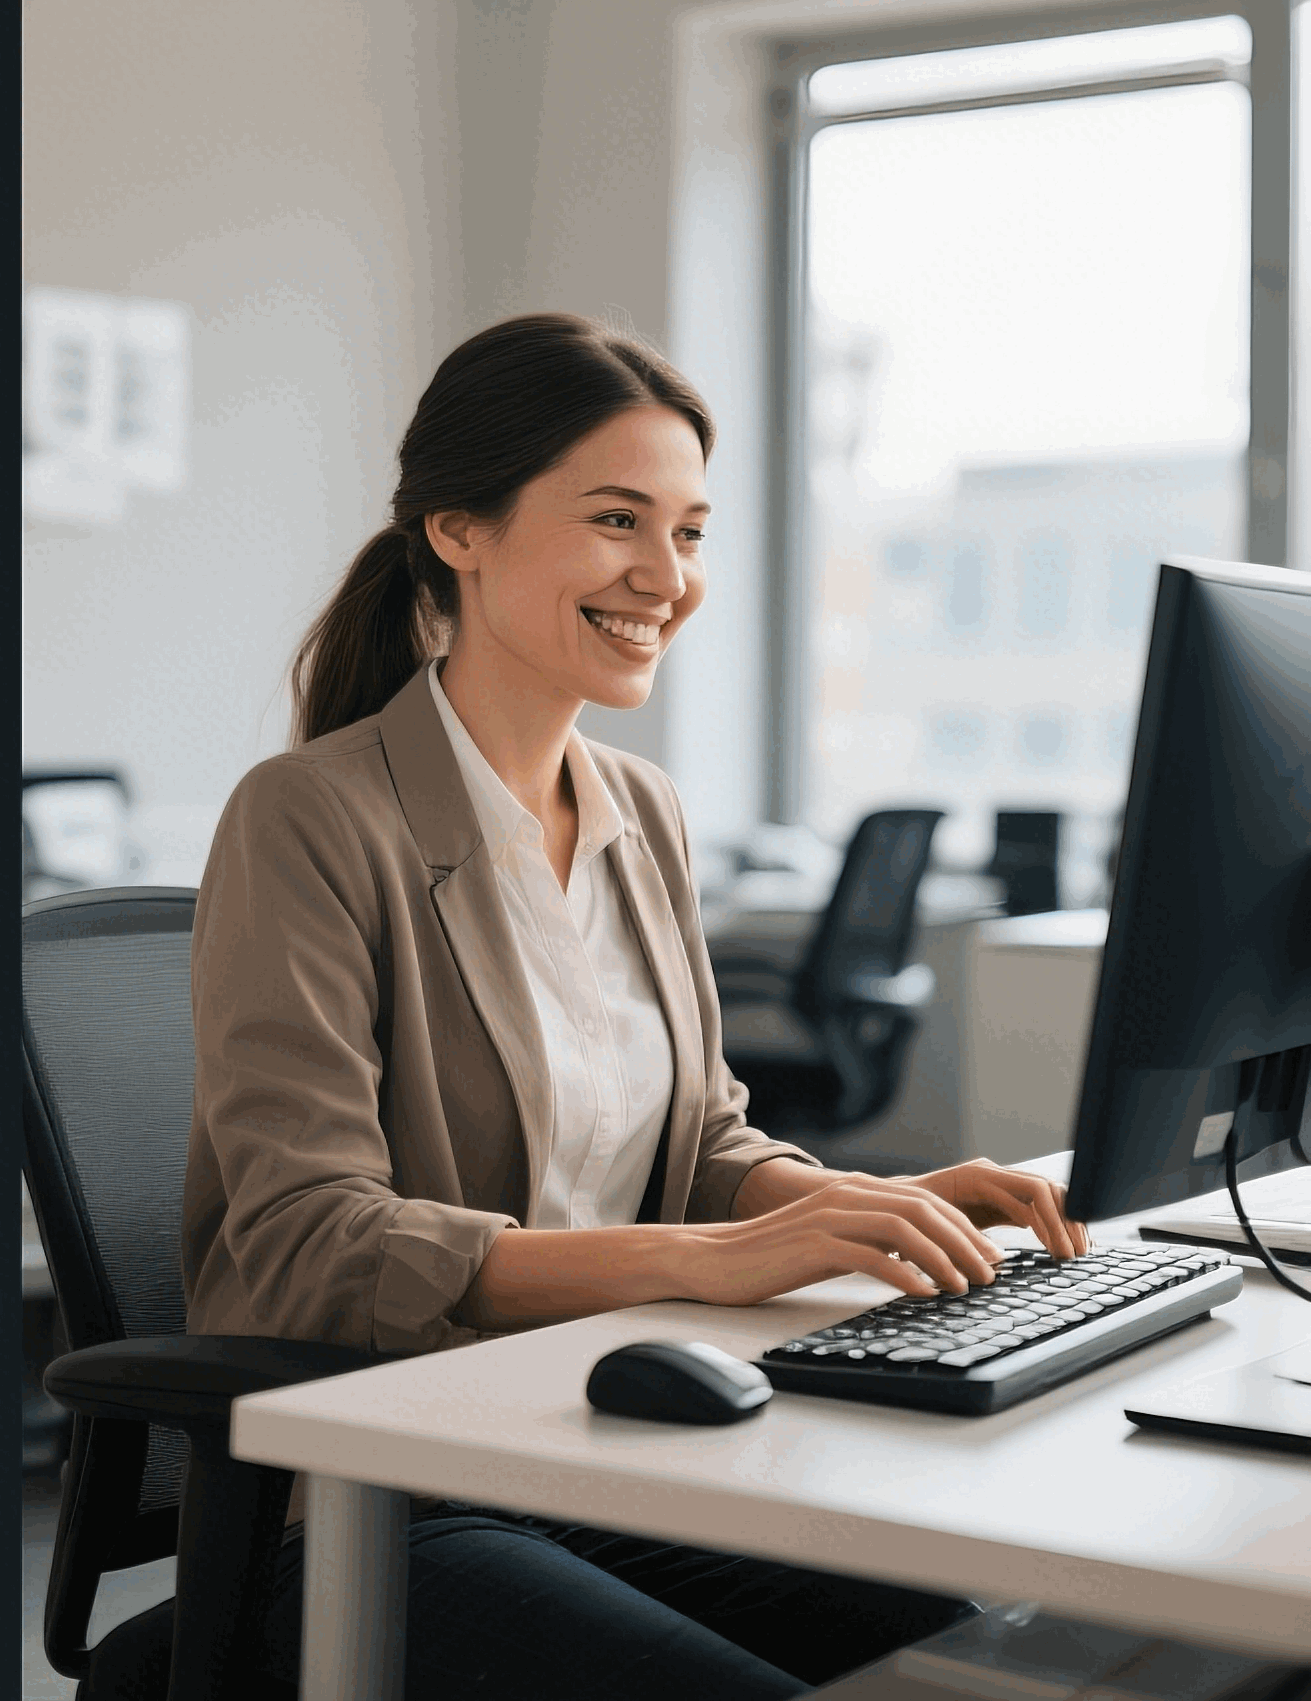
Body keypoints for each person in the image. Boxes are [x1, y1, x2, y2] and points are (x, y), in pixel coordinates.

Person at [185, 311, 1090, 1700]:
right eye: (619, 521)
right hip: (394, 1488)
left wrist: (851, 1201)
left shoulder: (640, 812)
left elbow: (706, 1139)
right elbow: (314, 1246)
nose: (666, 575)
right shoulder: (311, 818)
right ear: (459, 531)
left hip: (618, 1438)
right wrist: (703, 1264)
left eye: (692, 531)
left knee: (992, 1642)